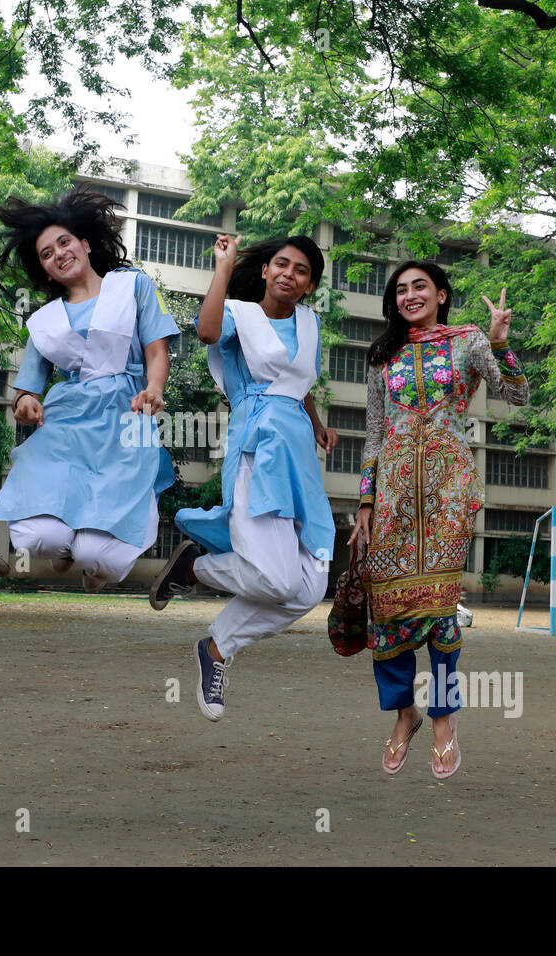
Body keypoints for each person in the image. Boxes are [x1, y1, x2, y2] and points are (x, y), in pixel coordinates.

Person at [348, 261, 529, 780]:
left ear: (441, 294)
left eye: (419, 287)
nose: (410, 296)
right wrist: (366, 500)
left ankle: (444, 716)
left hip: (449, 490)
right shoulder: (383, 355)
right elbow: (376, 433)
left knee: (440, 607)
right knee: (388, 606)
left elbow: (518, 396)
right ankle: (405, 713)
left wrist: (498, 344)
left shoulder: (469, 341)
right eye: (401, 290)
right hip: (395, 492)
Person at [149, 234, 337, 722]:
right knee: (276, 579)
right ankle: (195, 568)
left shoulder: (311, 323)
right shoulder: (240, 314)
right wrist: (223, 268)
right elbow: (207, 332)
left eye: (300, 270)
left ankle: (216, 648)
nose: (288, 274)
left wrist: (316, 423)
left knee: (310, 587)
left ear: (310, 283)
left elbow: (297, 381)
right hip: (259, 451)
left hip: (297, 455)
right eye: (281, 264)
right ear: (267, 270)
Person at [0, 189, 177, 591]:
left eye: (64, 241)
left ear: (85, 244)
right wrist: (25, 404)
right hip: (68, 423)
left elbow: (157, 350)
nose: (57, 253)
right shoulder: (44, 321)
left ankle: (92, 566)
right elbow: (28, 389)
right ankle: (63, 554)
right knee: (38, 538)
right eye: (45, 253)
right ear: (46, 270)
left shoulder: (133, 286)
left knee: (99, 556)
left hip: (127, 417)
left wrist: (154, 388)